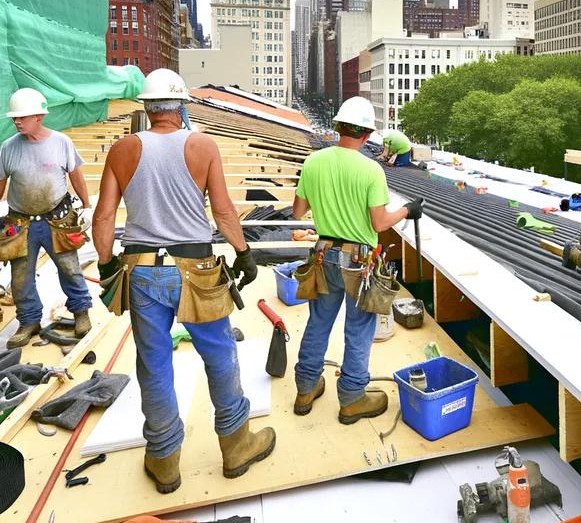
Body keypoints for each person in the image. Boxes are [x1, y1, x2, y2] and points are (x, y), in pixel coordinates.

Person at [92, 69, 273, 494]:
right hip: (196, 270)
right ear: (181, 106)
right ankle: (235, 445)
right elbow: (224, 211)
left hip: (141, 272)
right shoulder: (202, 145)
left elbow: (103, 216)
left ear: (147, 107)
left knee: (154, 364)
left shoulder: (122, 149)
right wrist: (244, 254)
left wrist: (105, 267)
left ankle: (164, 459)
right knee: (220, 354)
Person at [291, 96, 423, 423]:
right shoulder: (370, 170)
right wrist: (407, 210)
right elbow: (379, 223)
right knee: (359, 329)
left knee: (318, 322)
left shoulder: (314, 162)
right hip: (358, 261)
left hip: (322, 254)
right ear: (366, 134)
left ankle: (305, 388)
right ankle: (351, 398)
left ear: (337, 127)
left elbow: (298, 212)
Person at [0, 88, 92, 348]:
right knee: (20, 277)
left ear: (39, 116)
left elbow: (75, 174)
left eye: (22, 117)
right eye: (14, 118)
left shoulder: (60, 142)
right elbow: (1, 181)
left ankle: (81, 312)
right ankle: (29, 321)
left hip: (57, 218)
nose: (17, 122)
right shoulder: (8, 148)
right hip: (21, 222)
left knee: (69, 268)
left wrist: (86, 204)